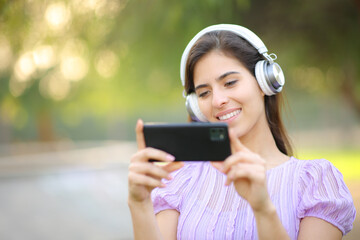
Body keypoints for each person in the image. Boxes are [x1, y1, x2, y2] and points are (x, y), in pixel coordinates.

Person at [127, 24, 356, 239]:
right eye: (204, 93)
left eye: (230, 83)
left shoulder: (316, 183)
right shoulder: (181, 179)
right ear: (195, 107)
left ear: (265, 82)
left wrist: (263, 208)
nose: (218, 101)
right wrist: (139, 204)